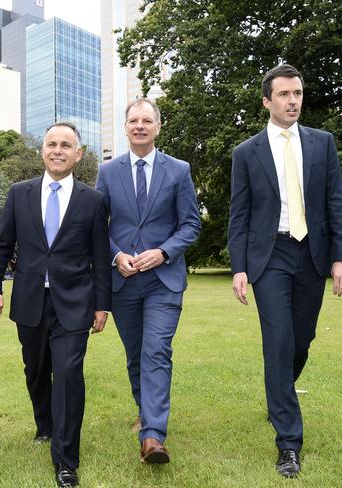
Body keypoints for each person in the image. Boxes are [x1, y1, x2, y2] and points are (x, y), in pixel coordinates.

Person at [228, 64, 342, 478]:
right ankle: (288, 443)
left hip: (312, 254)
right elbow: (239, 215)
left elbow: (336, 201)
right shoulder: (247, 152)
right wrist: (239, 268)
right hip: (270, 256)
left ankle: (277, 389)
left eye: (297, 93)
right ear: (267, 101)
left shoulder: (323, 144)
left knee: (302, 339)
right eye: (284, 94)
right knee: (279, 341)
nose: (293, 101)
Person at [0, 122, 111, 488]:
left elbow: (101, 256)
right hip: (30, 300)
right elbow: (1, 244)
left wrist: (103, 304)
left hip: (74, 302)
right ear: (43, 151)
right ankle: (45, 424)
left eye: (66, 145)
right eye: (51, 144)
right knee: (36, 370)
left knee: (69, 375)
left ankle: (66, 459)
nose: (58, 150)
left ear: (78, 154)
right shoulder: (21, 195)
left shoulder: (93, 200)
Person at [95, 98, 201, 464]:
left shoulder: (179, 170)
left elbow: (191, 224)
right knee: (136, 353)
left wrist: (164, 252)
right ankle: (145, 409)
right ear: (125, 127)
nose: (140, 126)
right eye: (133, 121)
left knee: (157, 350)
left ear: (158, 126)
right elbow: (97, 226)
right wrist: (115, 255)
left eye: (147, 120)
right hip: (123, 281)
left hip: (163, 280)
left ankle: (153, 436)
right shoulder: (108, 172)